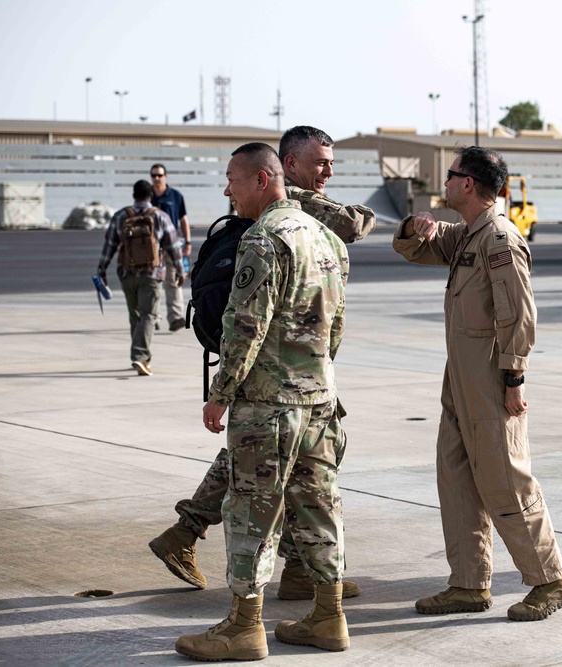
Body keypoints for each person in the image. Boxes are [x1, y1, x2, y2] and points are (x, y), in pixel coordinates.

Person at [149, 125, 373, 601]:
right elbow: (354, 226)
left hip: (292, 372)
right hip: (283, 371)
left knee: (283, 467)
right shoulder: (292, 211)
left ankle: (286, 569)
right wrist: (226, 391)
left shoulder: (281, 211)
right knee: (265, 478)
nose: (327, 172)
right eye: (319, 163)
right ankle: (253, 593)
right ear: (285, 167)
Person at [175, 143, 350, 661]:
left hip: (268, 405)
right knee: (319, 507)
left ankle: (243, 626)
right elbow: (336, 325)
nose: (226, 190)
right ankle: (328, 615)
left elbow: (244, 326)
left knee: (252, 510)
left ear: (260, 179)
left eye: (231, 179)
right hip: (319, 400)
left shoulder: (263, 238)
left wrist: (221, 393)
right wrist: (313, 375)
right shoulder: (326, 238)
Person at [392, 146, 562, 622]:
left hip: (491, 378)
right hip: (460, 379)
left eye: (451, 176)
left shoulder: (498, 239)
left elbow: (520, 314)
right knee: (456, 479)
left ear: (468, 184)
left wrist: (513, 377)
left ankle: (551, 579)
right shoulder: (468, 235)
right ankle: (469, 583)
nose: (446, 183)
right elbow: (413, 248)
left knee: (505, 480)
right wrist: (415, 224)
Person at [97, 179, 184, 377]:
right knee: (149, 315)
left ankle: (138, 354)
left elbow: (109, 245)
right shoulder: (160, 216)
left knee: (135, 315)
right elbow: (173, 247)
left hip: (127, 274)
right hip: (152, 274)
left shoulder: (121, 216)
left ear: (134, 195)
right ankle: (141, 356)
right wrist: (180, 270)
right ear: (150, 195)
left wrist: (102, 269)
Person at [149, 163, 191, 332]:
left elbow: (183, 220)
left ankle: (176, 318)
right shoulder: (147, 197)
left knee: (173, 281)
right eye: (154, 175)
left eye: (159, 175)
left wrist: (187, 242)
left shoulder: (175, 196)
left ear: (165, 176)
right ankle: (153, 318)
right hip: (152, 248)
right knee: (153, 283)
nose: (157, 178)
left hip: (172, 246)